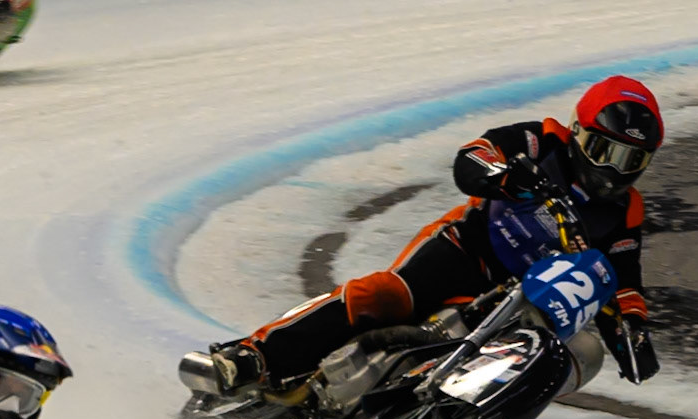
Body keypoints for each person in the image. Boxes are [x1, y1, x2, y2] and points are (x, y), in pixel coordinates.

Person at [211, 75, 665, 392]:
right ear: (577, 133)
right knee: (387, 295)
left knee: (575, 353)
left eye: (630, 161)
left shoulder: (627, 211)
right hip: (467, 248)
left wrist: (634, 330)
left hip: (529, 299)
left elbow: (623, 278)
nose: (611, 171)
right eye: (604, 151)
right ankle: (254, 356)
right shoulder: (537, 140)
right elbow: (472, 158)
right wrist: (507, 178)